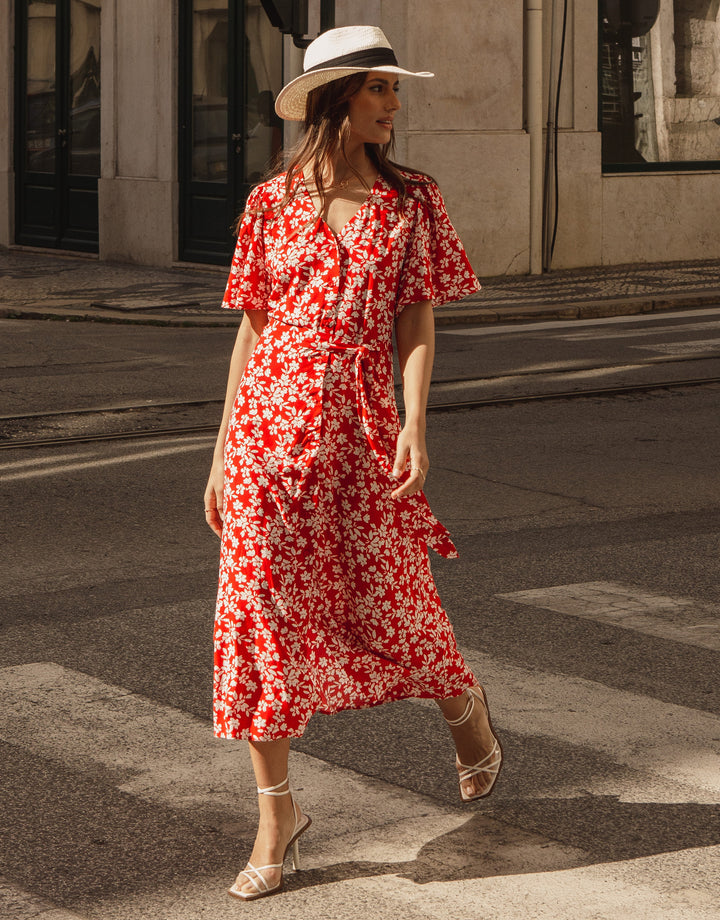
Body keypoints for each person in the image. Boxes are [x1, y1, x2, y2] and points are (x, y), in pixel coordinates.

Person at [203, 24, 503, 902]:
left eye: (393, 90)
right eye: (380, 89)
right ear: (337, 100)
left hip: (363, 434)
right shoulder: (270, 204)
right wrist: (221, 453)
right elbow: (252, 332)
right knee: (258, 623)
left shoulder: (412, 202)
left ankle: (466, 710)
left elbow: (416, 316)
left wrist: (416, 421)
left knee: (397, 604)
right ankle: (276, 816)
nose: (393, 104)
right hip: (268, 441)